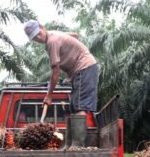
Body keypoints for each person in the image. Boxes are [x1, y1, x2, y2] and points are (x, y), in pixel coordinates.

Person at [24, 19, 99, 149]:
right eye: (34, 37)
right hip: (77, 72)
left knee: (80, 106)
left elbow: (56, 71)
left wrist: (49, 95)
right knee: (74, 107)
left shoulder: (52, 41)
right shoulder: (54, 35)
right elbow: (75, 35)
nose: (37, 38)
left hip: (85, 67)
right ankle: (69, 144)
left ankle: (77, 145)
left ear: (42, 27)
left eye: (38, 33)